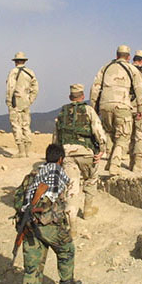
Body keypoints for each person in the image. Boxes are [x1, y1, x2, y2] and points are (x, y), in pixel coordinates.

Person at [19, 144, 81, 284]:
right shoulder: (57, 172)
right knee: (66, 249)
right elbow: (58, 197)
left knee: (32, 267)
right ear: (61, 159)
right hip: (48, 224)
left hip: (29, 225)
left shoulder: (33, 174)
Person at [53, 83, 107, 232]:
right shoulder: (88, 110)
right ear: (83, 96)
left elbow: (56, 137)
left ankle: (72, 225)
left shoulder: (62, 112)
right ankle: (88, 210)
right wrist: (102, 150)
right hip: (86, 153)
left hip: (67, 155)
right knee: (91, 179)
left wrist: (57, 156)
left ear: (70, 97)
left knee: (72, 188)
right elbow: (98, 131)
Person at [90, 45, 142, 175]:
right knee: (123, 136)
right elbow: (140, 91)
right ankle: (115, 166)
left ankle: (109, 160)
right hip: (122, 105)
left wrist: (94, 108)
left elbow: (95, 88)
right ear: (128, 57)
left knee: (109, 133)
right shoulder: (132, 69)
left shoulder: (105, 68)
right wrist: (140, 110)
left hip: (105, 105)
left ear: (116, 55)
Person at [5, 51, 39, 158]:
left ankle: (21, 151)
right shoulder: (30, 72)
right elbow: (35, 88)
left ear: (15, 62)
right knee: (26, 125)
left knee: (16, 125)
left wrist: (9, 101)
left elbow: (10, 87)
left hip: (16, 100)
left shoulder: (13, 72)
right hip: (26, 101)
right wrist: (30, 99)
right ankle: (28, 151)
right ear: (24, 61)